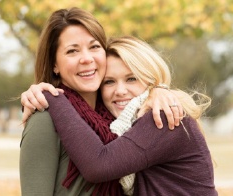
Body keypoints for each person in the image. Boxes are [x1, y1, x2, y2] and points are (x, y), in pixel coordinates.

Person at [20, 7, 183, 196]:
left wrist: (157, 90)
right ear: (54, 64)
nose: (87, 59)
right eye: (72, 51)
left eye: (94, 47)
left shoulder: (119, 117)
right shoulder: (45, 119)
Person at [40, 36, 218, 195]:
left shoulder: (162, 117)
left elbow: (98, 166)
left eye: (131, 79)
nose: (120, 91)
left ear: (151, 79)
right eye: (109, 81)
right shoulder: (121, 122)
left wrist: (53, 95)